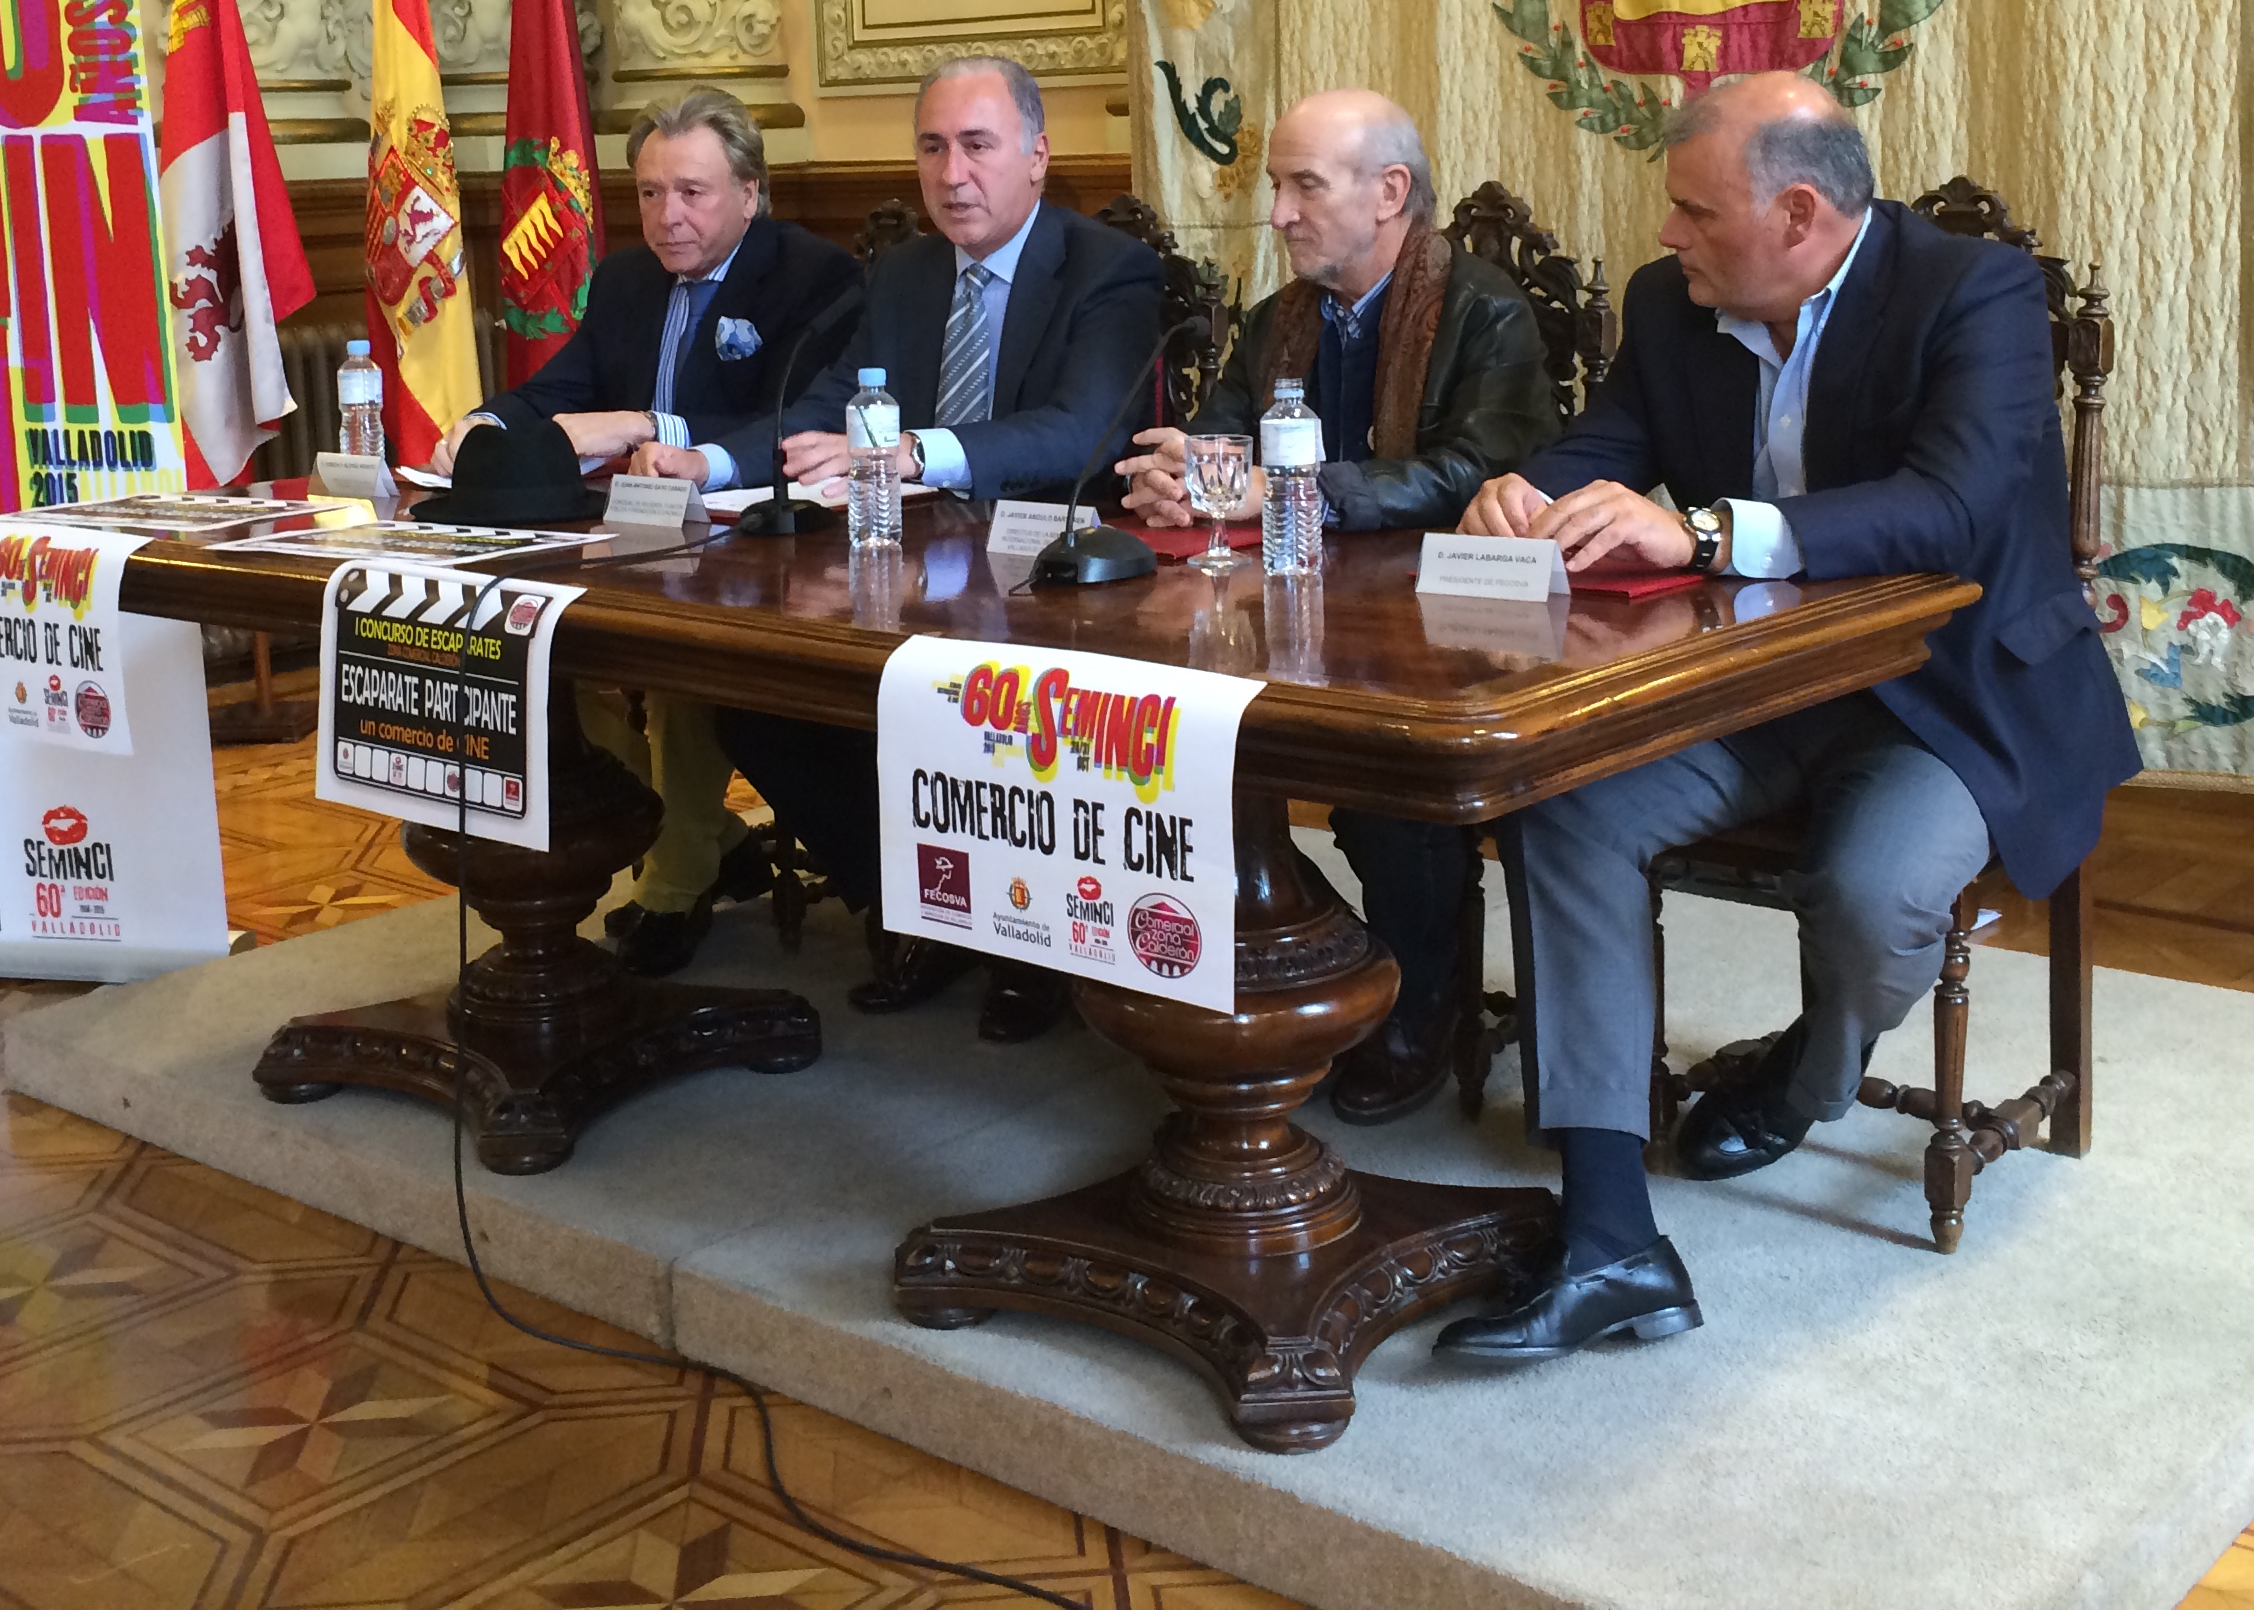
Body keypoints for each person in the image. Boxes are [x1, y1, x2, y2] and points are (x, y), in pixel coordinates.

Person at [1429, 71, 2139, 1362]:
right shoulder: (1674, 303)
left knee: (1870, 894)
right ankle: (1611, 1237)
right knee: (1562, 804)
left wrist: (1706, 531)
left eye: (1695, 212)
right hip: (1754, 686)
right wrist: (1524, 492)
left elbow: (1952, 508)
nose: (1667, 235)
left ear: (1800, 215)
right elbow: (1608, 444)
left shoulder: (1972, 293)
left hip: (1947, 692)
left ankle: (1808, 1071)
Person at [639, 55, 1163, 1042]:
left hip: (1053, 576)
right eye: (932, 148)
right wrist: (710, 461)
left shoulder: (1107, 268)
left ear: (1037, 156)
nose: (951, 174)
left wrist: (919, 449)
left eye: (977, 146)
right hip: (905, 565)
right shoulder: (907, 274)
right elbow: (827, 401)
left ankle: (1031, 944)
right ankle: (914, 903)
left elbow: (1080, 429)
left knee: (985, 706)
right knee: (758, 699)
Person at [1111, 88, 1555, 1120]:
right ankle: (1290, 958)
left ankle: (1419, 1002)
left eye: (1304, 186)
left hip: (1443, 627)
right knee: (1178, 737)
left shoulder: (1484, 310)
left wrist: (1294, 490)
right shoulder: (1281, 320)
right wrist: (1184, 479)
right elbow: (1224, 448)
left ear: (1390, 193)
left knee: (1380, 784)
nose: (1277, 214)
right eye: (1277, 186)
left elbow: (1479, 470)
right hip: (1292, 613)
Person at [444, 88, 860, 974]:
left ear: (749, 192)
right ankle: (710, 839)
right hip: (634, 540)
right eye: (649, 192)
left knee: (679, 675)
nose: (668, 216)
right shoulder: (628, 280)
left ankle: (675, 884)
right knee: (559, 658)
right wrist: (486, 424)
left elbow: (796, 418)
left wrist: (658, 431)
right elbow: (559, 388)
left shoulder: (810, 275)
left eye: (692, 192)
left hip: (760, 549)